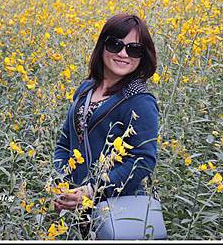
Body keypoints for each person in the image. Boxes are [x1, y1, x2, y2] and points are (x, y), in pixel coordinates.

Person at [52, 13, 161, 238]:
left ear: (143, 56)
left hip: (116, 214)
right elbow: (65, 141)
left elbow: (143, 161)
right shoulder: (86, 89)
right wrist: (61, 181)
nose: (123, 54)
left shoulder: (139, 101)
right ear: (102, 46)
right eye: (115, 44)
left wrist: (93, 190)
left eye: (134, 49)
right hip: (75, 212)